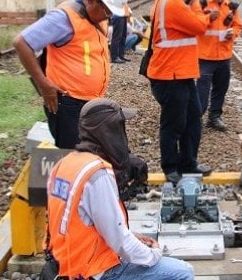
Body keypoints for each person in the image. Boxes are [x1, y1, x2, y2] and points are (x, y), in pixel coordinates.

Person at [45, 98, 194, 280]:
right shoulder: (97, 173)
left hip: (65, 263)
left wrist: (131, 235)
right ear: (109, 131)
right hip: (91, 271)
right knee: (182, 272)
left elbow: (83, 222)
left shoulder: (64, 163)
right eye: (121, 126)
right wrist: (153, 255)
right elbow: (120, 241)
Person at [13, 0, 130, 149]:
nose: (109, 16)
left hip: (90, 101)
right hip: (68, 104)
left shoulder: (98, 16)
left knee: (87, 151)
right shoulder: (63, 18)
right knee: (71, 153)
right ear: (91, 0)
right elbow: (22, 43)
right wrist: (43, 83)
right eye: (107, 11)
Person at [145, 0, 212, 184]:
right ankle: (171, 167)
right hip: (170, 75)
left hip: (180, 74)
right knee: (173, 124)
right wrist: (195, 3)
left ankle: (188, 163)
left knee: (193, 119)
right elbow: (200, 26)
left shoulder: (167, 0)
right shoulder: (171, 3)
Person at [196, 0, 242, 131]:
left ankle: (214, 117)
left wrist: (233, 33)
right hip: (205, 56)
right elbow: (193, 25)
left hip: (223, 56)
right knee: (201, 89)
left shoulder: (230, 6)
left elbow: (238, 24)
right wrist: (208, 18)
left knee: (221, 88)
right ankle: (197, 118)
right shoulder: (201, 5)